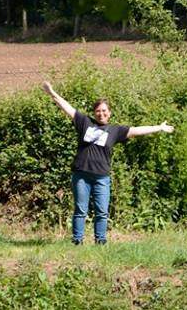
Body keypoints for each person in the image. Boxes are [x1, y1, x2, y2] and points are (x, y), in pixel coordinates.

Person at [42, 81, 174, 245]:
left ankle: (101, 242)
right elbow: (67, 107)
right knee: (81, 210)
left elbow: (137, 130)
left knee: (102, 212)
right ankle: (77, 242)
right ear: (94, 113)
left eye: (104, 111)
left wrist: (159, 128)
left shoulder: (115, 130)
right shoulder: (85, 123)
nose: (101, 113)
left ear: (109, 113)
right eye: (98, 111)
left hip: (101, 178)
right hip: (81, 175)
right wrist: (52, 93)